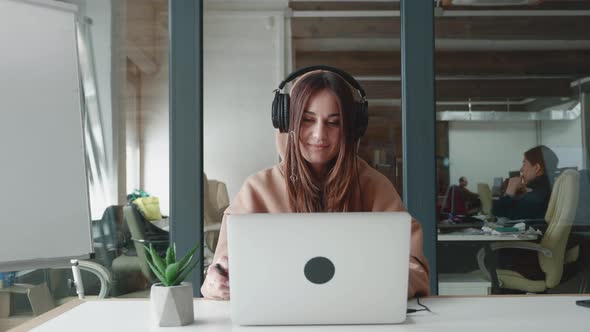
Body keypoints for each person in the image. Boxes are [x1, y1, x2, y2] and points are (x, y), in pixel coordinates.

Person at [201, 66, 430, 300]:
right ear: (287, 122)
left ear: (351, 128)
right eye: (308, 120)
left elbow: (416, 268)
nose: (319, 135)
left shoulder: (375, 187)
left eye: (333, 122)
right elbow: (220, 272)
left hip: (355, 316)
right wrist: (215, 284)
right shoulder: (257, 190)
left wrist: (387, 281)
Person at [492, 145, 558, 220]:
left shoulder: (538, 195)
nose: (521, 169)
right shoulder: (546, 189)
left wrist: (509, 192)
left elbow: (498, 212)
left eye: (524, 164)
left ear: (537, 168)